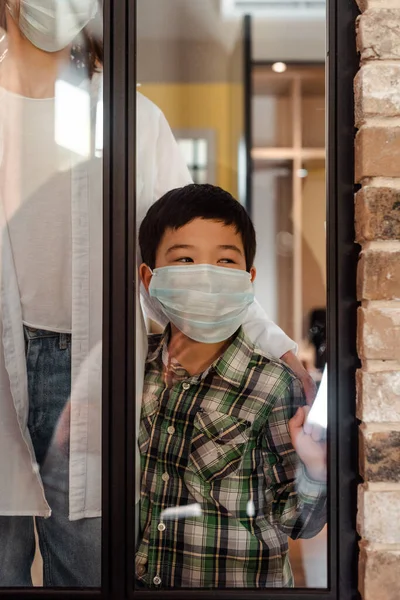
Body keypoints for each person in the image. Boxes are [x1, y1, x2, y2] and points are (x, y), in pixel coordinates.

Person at [0, 0, 314, 588]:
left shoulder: (128, 115)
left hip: (97, 372)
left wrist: (270, 341)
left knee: (92, 570)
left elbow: (188, 253)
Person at [136, 184, 327, 589]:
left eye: (225, 261)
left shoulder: (272, 385)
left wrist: (316, 467)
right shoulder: (135, 371)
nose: (206, 277)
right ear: (149, 278)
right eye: (185, 259)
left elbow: (298, 523)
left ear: (249, 279)